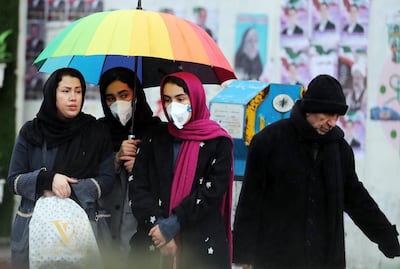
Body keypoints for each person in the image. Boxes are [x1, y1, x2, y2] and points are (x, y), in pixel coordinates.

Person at [233, 74, 400, 268]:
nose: (332, 122)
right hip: (275, 257)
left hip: (324, 259)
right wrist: (244, 255)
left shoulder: (340, 149)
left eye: (337, 117)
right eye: (328, 115)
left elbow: (357, 199)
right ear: (310, 109)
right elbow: (250, 202)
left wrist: (387, 237)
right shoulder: (268, 141)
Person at [7, 67, 115, 269]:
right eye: (65, 91)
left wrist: (68, 188)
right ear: (52, 93)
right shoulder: (32, 132)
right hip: (37, 229)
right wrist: (48, 180)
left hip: (85, 224)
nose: (73, 97)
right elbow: (14, 181)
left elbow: (107, 179)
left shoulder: (95, 131)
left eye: (78, 91)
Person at [128, 71, 234, 269]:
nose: (172, 106)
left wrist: (174, 224)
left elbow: (212, 193)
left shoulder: (218, 142)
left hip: (200, 245)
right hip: (153, 241)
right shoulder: (155, 137)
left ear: (195, 98)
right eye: (167, 99)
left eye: (180, 98)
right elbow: (138, 186)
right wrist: (160, 229)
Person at [97, 67, 161, 258]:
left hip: (142, 234)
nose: (118, 103)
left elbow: (167, 180)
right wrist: (115, 159)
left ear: (137, 96)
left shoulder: (157, 132)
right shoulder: (97, 131)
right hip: (104, 228)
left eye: (124, 95)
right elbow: (87, 175)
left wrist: (141, 167)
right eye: (110, 98)